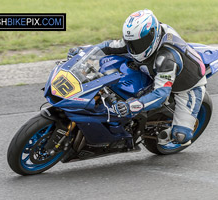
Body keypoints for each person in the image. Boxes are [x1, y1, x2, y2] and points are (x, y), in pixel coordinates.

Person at [68, 9, 207, 146]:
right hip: (152, 68)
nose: (135, 47)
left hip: (186, 84)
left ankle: (166, 131)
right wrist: (84, 52)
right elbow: (108, 46)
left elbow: (161, 95)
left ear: (154, 35)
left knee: (181, 136)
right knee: (108, 62)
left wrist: (131, 106)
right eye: (131, 43)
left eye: (140, 43)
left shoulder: (166, 58)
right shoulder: (135, 41)